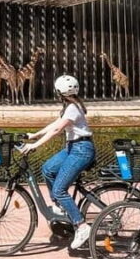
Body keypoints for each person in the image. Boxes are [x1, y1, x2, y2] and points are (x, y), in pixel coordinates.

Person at [20, 75, 95, 249]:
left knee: (60, 189)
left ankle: (81, 226)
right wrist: (34, 135)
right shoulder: (71, 106)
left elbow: (56, 130)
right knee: (48, 169)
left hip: (81, 150)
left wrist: (34, 145)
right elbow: (56, 123)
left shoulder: (73, 109)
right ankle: (61, 207)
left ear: (59, 92)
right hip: (73, 148)